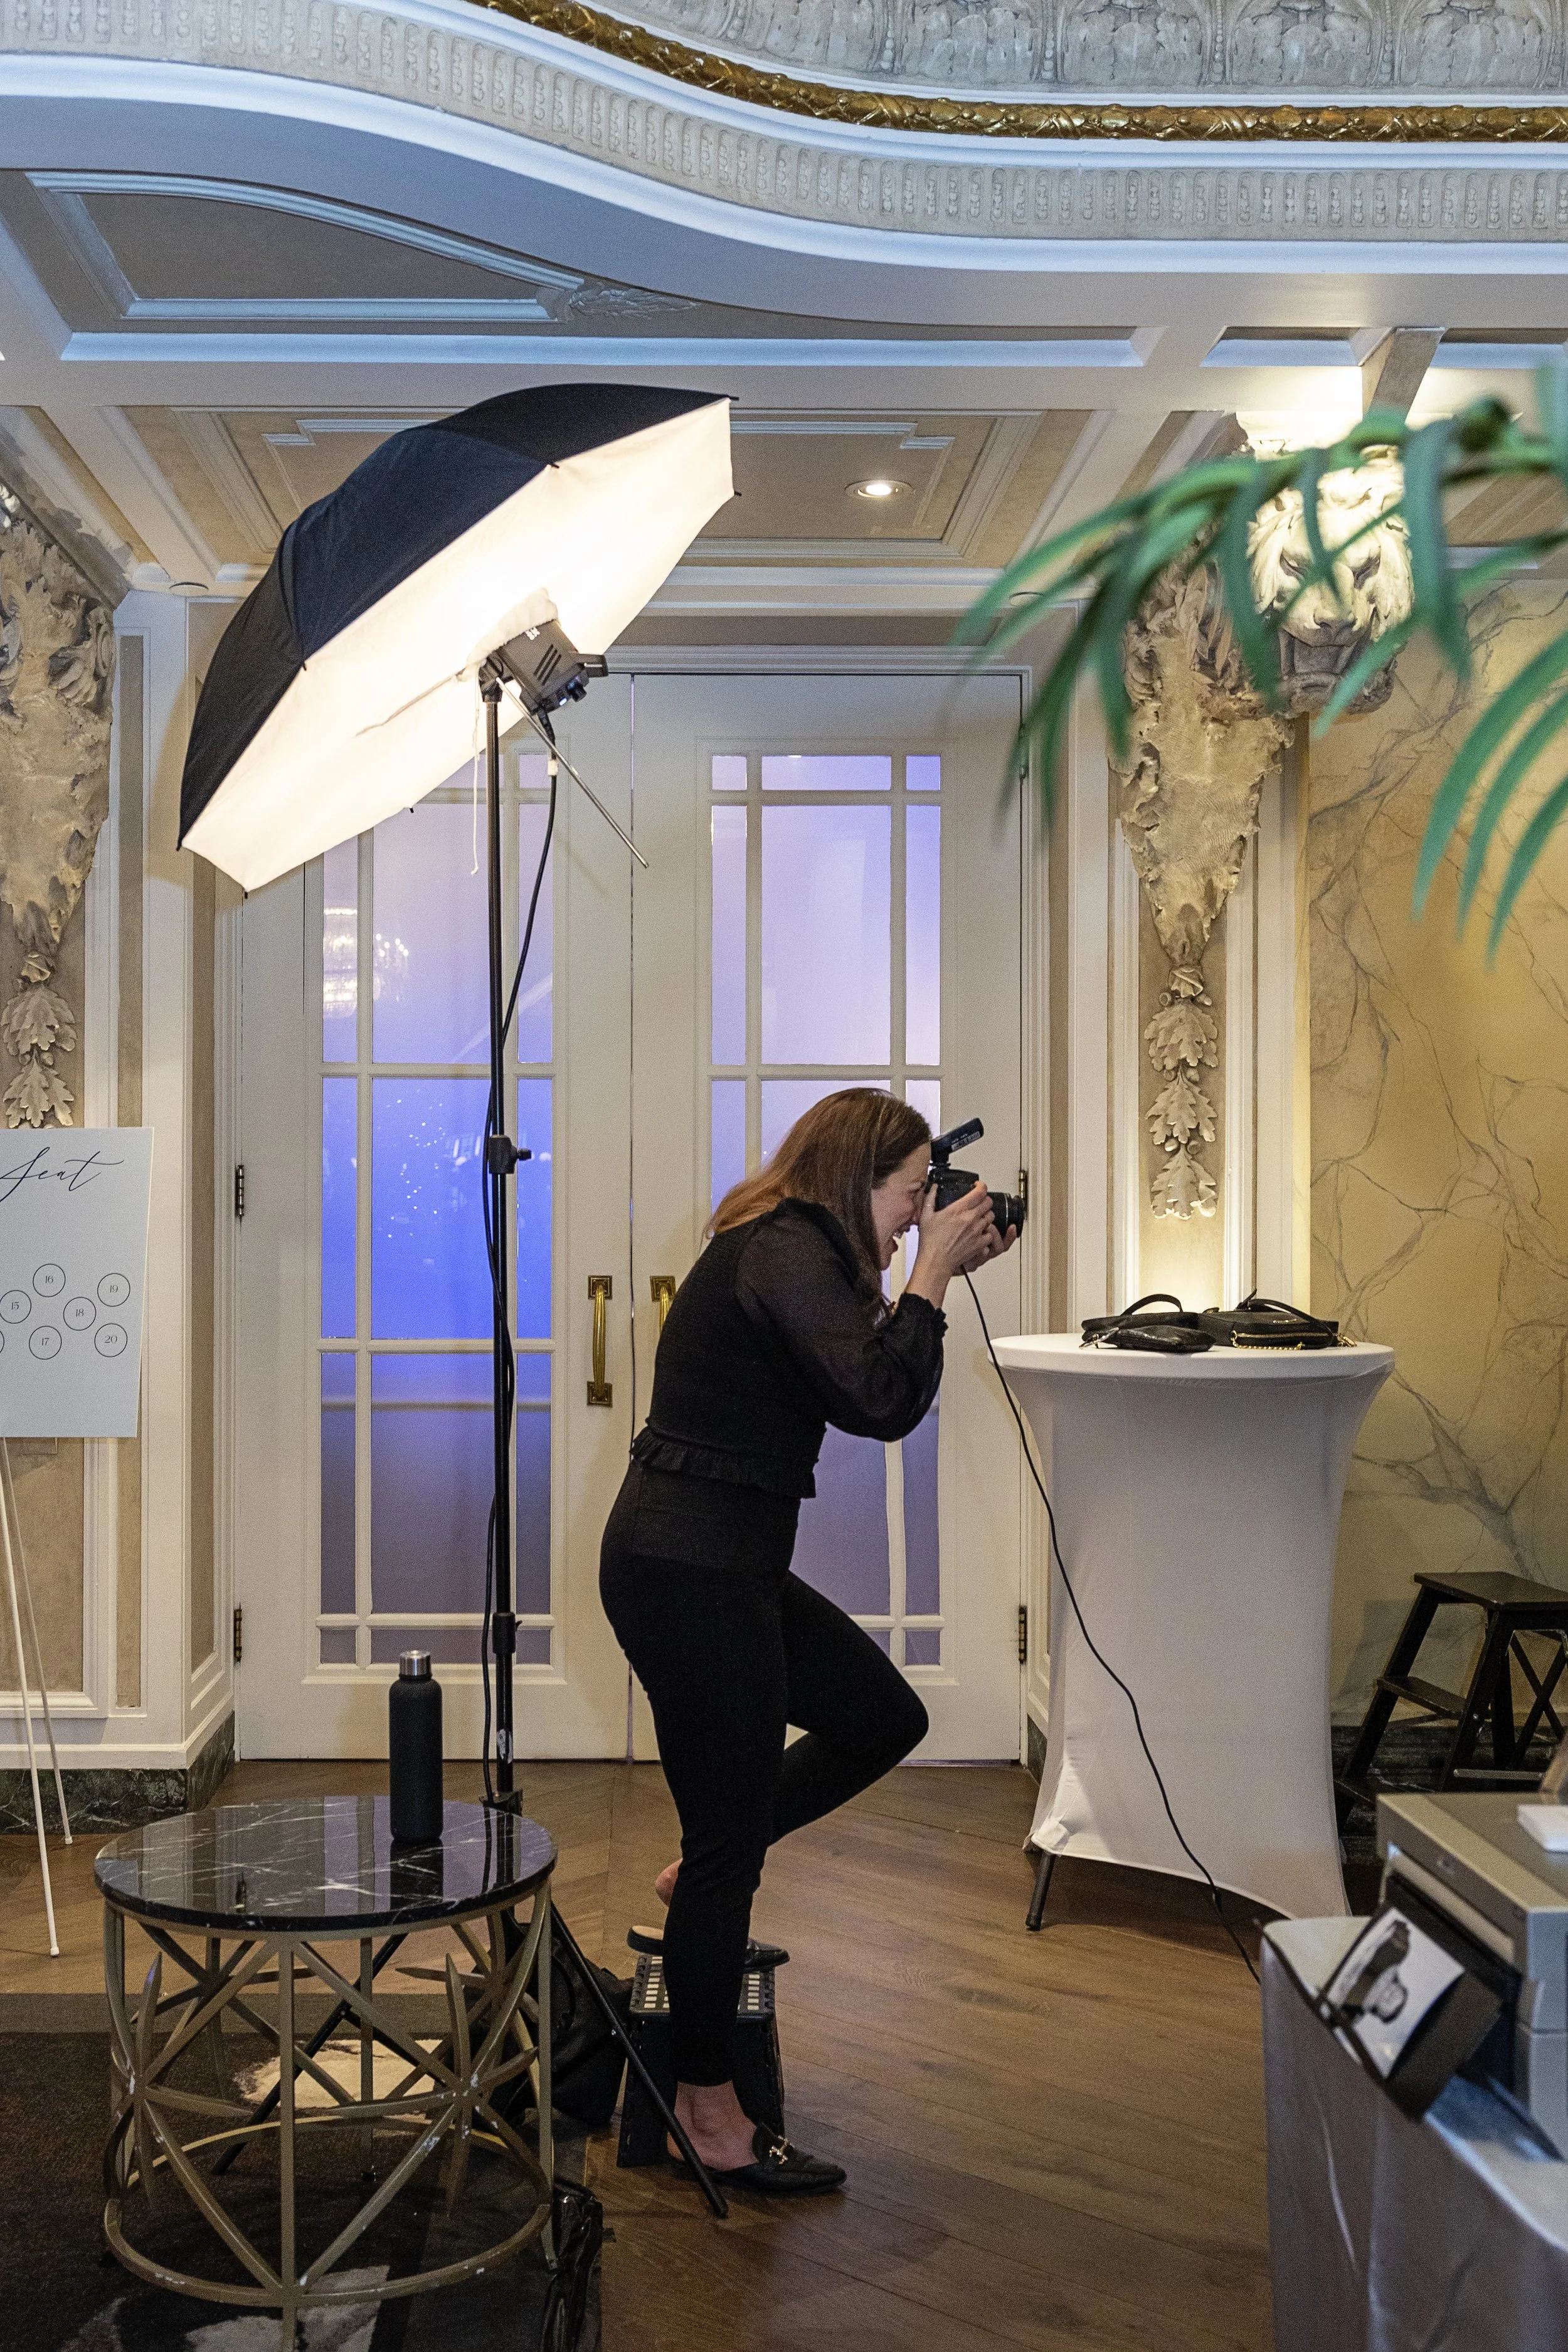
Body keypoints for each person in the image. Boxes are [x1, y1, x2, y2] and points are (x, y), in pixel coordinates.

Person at [598, 1089, 1015, 2195]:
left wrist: (935, 1279)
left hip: (721, 1558)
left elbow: (880, 1381)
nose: (917, 1213)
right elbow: (879, 1399)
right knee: (729, 1852)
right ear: (856, 1175)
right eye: (912, 1191)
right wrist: (928, 1278)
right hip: (685, 1568)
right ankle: (707, 2106)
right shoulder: (782, 1247)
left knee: (884, 1716)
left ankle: (716, 1854)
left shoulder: (805, 1255)